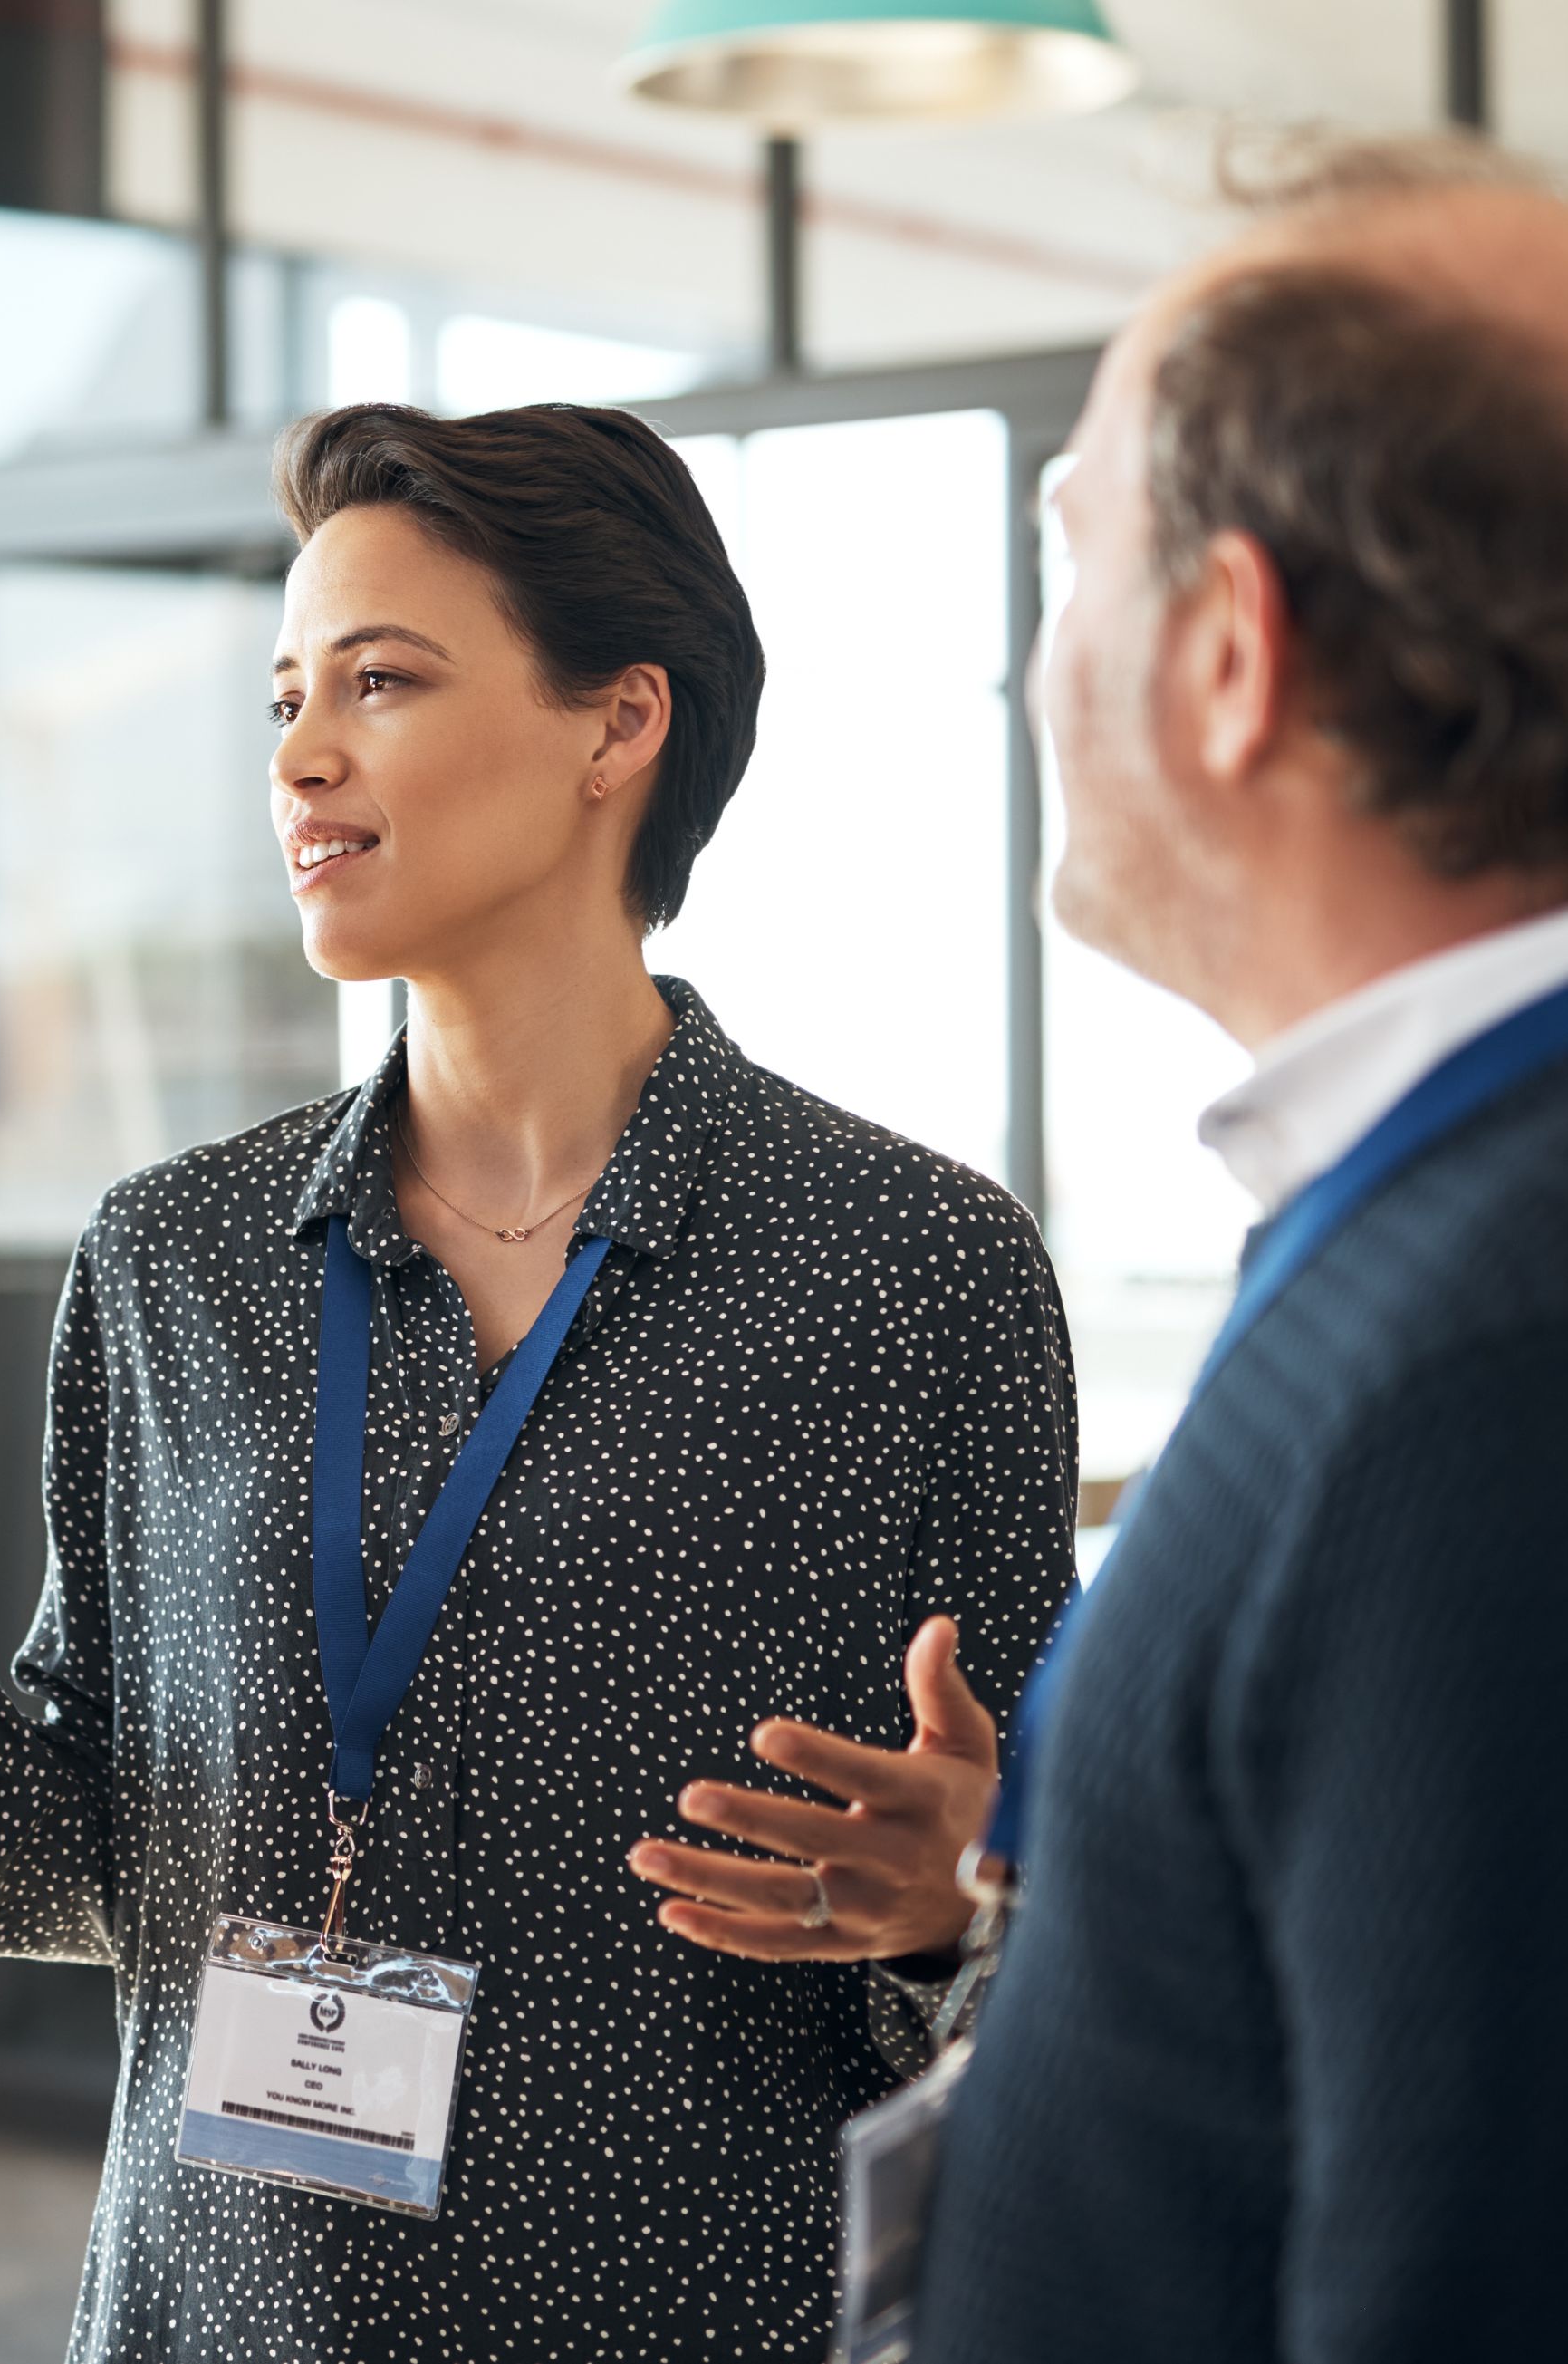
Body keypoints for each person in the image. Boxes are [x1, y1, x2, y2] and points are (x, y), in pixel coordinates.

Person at [0, 403, 1078, 2358]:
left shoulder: (908, 1269)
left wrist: (964, 1893)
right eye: (285, 695)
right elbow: (86, 1844)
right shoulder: (171, 1263)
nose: (298, 754)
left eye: (381, 681)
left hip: (705, 2311)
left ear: (618, 724)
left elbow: (1062, 1910)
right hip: (227, 2310)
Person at [918, 146, 1568, 2362]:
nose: (1032, 658)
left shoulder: (1477, 1371)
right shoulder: (1440, 1224)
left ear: (1222, 656)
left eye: (1065, 548)